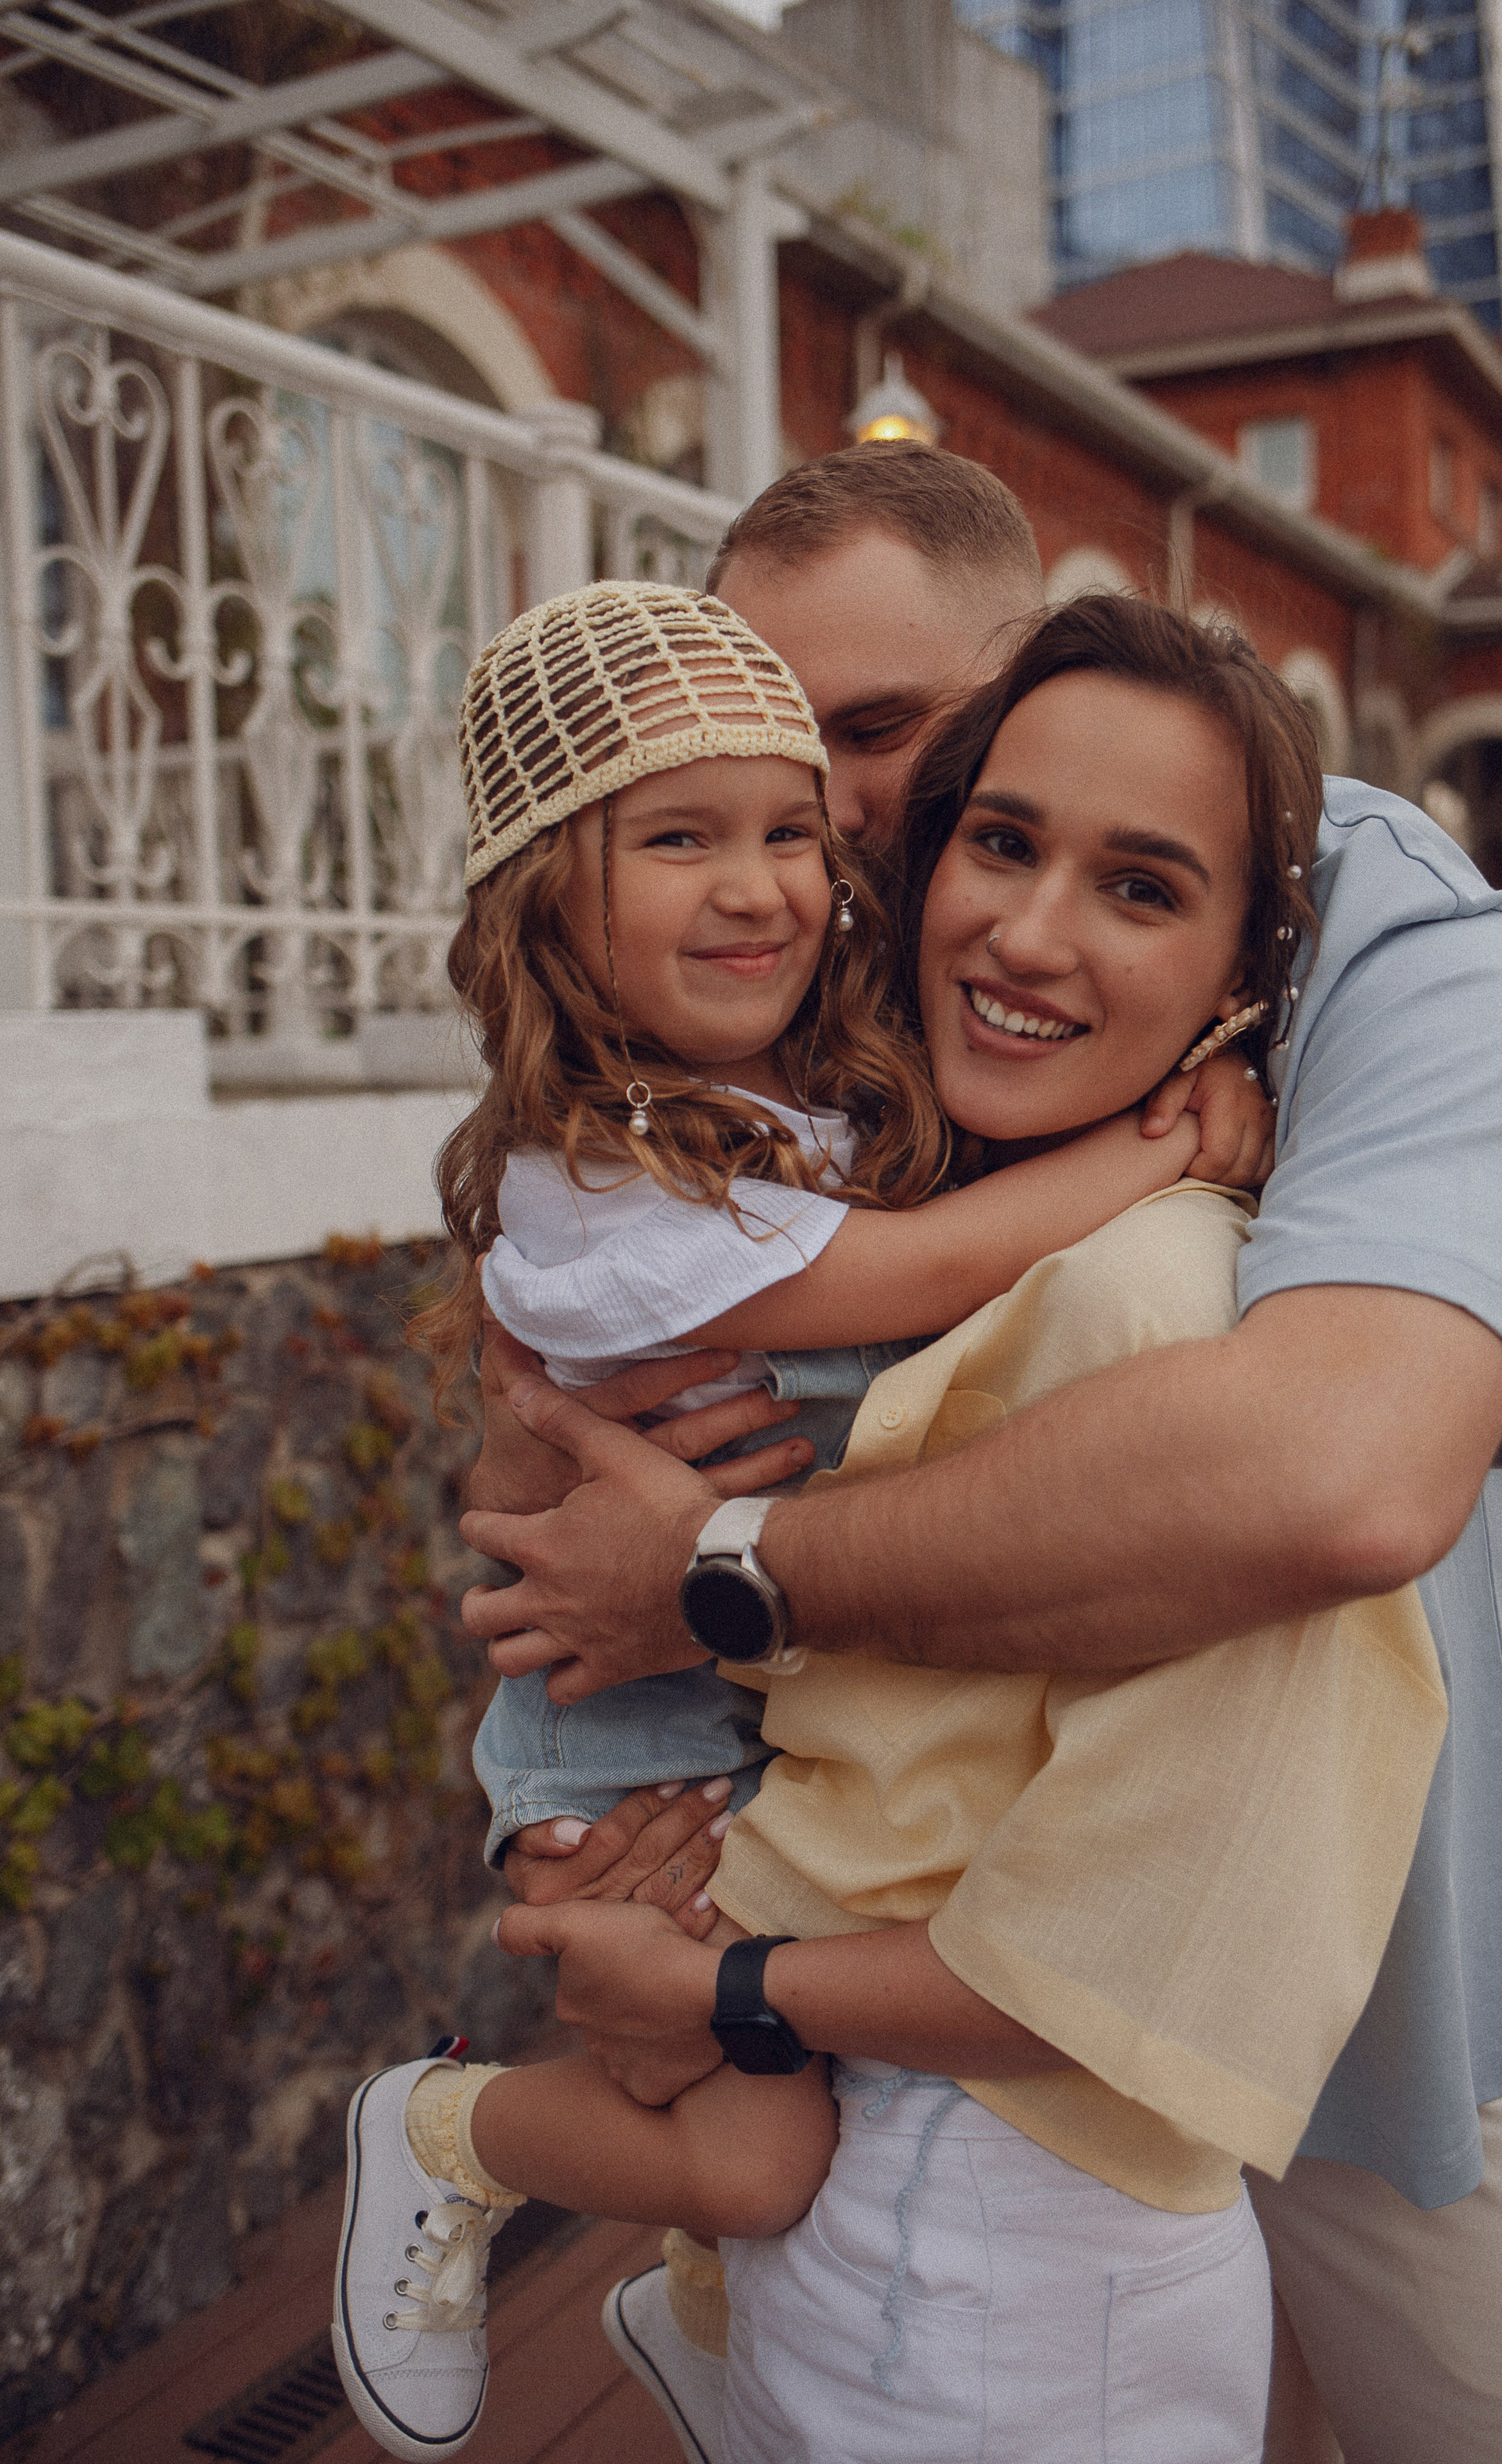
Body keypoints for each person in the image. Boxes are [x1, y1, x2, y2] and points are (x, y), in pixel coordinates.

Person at [463, 447, 1502, 2464]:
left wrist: (719, 1563)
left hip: (1420, 1997)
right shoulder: (857, 953)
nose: (826, 820)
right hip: (966, 1951)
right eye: (771, 744)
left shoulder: (1416, 954)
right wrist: (607, 1703)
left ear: (1047, 671)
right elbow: (578, 1403)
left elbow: (1338, 1481)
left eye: (879, 735)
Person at [331, 578, 1276, 2461]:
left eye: (788, 832)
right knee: (758, 2150)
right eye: (678, 840)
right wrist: (1166, 1139)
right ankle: (438, 2132)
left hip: (768, 1695)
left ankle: (694, 2325)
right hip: (633, 1738)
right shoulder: (591, 1184)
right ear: (543, 901)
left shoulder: (809, 1097)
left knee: (772, 2097)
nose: (762, 886)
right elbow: (916, 1267)